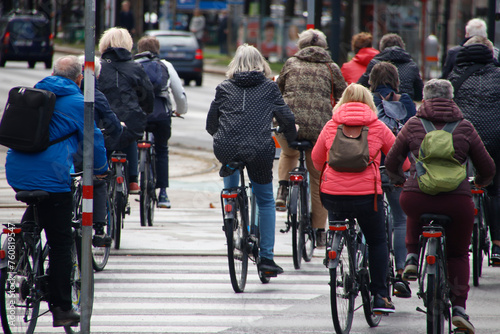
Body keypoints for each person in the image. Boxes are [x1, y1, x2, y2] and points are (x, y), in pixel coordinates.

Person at [5, 55, 108, 327]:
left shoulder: (32, 94)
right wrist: (100, 168)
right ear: (79, 79)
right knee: (62, 241)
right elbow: (94, 139)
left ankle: (15, 251)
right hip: (51, 174)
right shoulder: (77, 102)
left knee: (38, 209)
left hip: (16, 170)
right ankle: (62, 307)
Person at [385, 79, 495, 334]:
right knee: (457, 254)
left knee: (415, 204)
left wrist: (400, 181)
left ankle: (412, 256)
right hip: (457, 201)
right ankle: (458, 309)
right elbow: (487, 167)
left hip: (416, 196)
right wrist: (479, 183)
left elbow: (392, 161)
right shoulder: (465, 127)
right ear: (451, 98)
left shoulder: (413, 125)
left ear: (425, 98)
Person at [311, 83, 409, 313]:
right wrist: (397, 176)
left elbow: (317, 161)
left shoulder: (330, 126)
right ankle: (380, 297)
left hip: (333, 196)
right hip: (367, 197)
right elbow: (400, 161)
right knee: (376, 241)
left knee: (338, 223)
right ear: (369, 102)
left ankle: (337, 252)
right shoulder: (377, 126)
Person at [206, 44, 297, 274]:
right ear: (261, 64)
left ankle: (231, 214)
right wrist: (292, 137)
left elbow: (211, 125)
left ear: (235, 64)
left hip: (226, 148)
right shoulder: (269, 87)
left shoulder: (224, 87)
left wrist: (224, 133)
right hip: (259, 150)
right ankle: (266, 258)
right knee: (265, 200)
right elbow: (285, 118)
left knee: (231, 183)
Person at [275, 29, 347, 246]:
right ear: (323, 47)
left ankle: (283, 189)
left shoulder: (290, 63)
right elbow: (344, 94)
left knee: (289, 153)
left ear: (301, 46)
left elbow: (277, 92)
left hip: (290, 125)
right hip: (320, 129)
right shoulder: (330, 67)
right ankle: (319, 232)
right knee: (317, 178)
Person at [447, 36, 500, 264]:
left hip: (463, 139)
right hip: (496, 139)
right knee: (496, 189)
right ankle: (497, 245)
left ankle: (458, 237)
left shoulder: (455, 76)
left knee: (457, 185)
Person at [369, 61, 416, 298]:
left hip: (371, 169)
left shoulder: (367, 102)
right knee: (400, 220)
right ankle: (400, 273)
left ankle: (372, 271)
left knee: (371, 224)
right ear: (396, 81)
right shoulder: (405, 101)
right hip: (399, 168)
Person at [97, 27, 154, 194]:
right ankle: (133, 181)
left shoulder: (97, 67)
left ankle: (101, 174)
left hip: (103, 120)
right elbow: (146, 94)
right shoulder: (135, 68)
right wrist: (145, 112)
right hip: (130, 119)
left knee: (103, 140)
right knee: (129, 135)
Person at [134, 35, 188, 208]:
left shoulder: (133, 66)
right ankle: (163, 194)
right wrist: (180, 111)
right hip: (161, 116)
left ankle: (131, 181)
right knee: (162, 150)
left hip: (139, 116)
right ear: (158, 50)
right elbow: (179, 94)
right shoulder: (166, 65)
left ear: (139, 50)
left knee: (132, 142)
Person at [77, 55, 123, 246]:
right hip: (84, 151)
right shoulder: (95, 95)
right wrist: (110, 140)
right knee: (99, 180)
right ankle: (99, 227)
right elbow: (114, 125)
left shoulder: (56, 94)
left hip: (59, 156)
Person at [357, 33, 423, 102]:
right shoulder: (411, 66)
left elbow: (360, 88)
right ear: (402, 47)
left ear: (382, 48)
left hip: (379, 107)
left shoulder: (374, 64)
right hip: (404, 108)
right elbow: (419, 95)